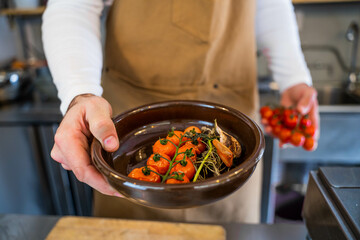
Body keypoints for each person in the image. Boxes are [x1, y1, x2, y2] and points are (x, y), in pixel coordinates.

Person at [42, 0, 319, 223]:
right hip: (134, 119)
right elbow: (74, 5)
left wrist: (292, 75)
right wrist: (80, 92)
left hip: (229, 120)